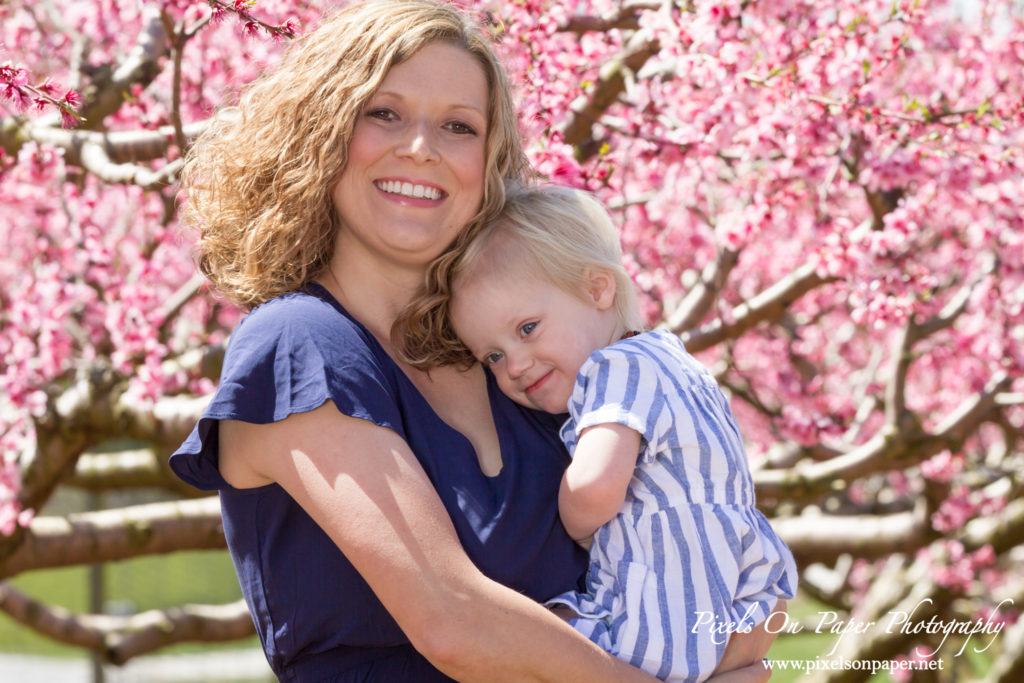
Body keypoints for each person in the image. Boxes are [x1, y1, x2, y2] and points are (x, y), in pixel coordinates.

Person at [171, 1, 780, 680]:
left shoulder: (518, 365)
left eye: (458, 126)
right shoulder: (298, 347)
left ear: (487, 161)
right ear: (323, 132)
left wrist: (736, 657)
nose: (422, 148)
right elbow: (453, 619)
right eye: (385, 113)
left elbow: (686, 543)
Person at [402, 183, 798, 682]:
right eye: (494, 357)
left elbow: (594, 488)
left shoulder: (616, 372)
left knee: (537, 639)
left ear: (597, 289)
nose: (516, 366)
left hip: (666, 591)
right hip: (733, 575)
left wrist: (571, 514)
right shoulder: (673, 358)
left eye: (527, 328)